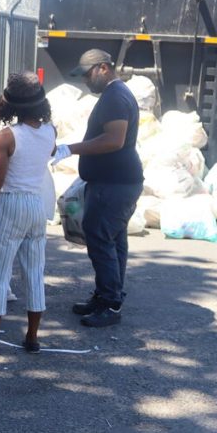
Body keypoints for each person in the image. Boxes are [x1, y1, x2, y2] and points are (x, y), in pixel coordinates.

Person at [0, 72, 56, 357]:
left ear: (10, 104)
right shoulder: (50, 130)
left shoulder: (7, 136)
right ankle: (32, 337)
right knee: (34, 272)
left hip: (11, 205)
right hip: (36, 205)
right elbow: (48, 153)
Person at [53, 49, 144, 328]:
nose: (85, 81)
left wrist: (71, 149)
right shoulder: (115, 95)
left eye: (88, 74)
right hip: (116, 180)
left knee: (101, 239)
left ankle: (110, 302)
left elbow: (114, 140)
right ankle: (108, 296)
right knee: (114, 241)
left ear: (103, 68)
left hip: (114, 184)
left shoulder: (116, 97)